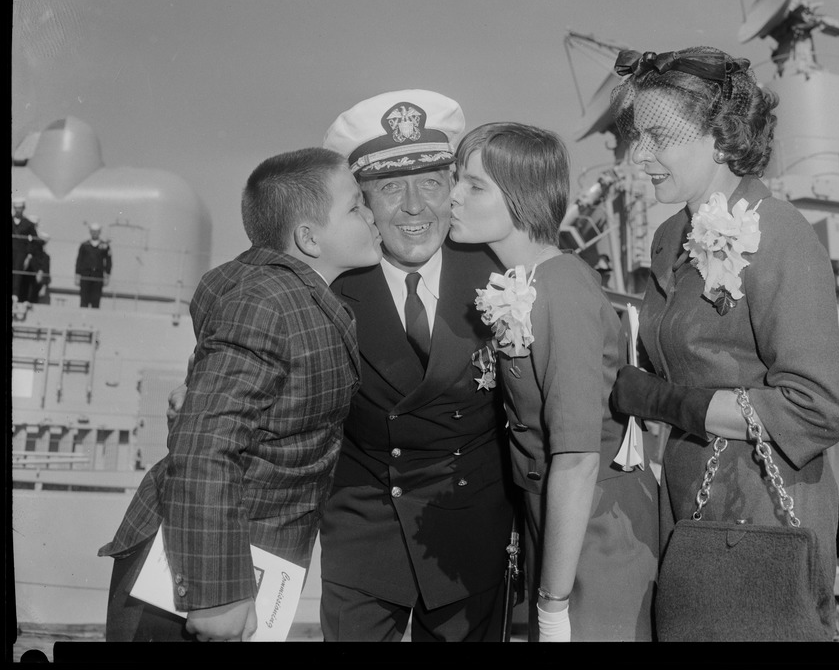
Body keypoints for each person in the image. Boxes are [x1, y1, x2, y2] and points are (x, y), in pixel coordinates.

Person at [606, 47, 839, 640]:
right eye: (638, 137)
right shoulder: (671, 236)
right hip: (691, 499)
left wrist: (664, 402)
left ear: (720, 137)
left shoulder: (779, 234)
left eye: (659, 137)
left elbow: (817, 408)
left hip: (763, 507)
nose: (641, 155)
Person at [98, 147, 383, 641]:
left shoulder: (276, 292)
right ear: (309, 238)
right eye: (356, 206)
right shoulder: (267, 304)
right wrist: (217, 594)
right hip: (196, 582)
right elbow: (205, 445)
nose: (371, 214)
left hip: (244, 563)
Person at [449, 122, 659, 642]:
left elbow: (577, 457)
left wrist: (553, 600)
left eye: (475, 186)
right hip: (561, 526)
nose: (452, 196)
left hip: (598, 534)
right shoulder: (532, 282)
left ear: (521, 199)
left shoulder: (560, 287)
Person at [318, 90, 515, 642]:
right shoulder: (332, 286)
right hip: (365, 538)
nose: (413, 207)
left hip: (469, 536)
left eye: (429, 184)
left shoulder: (500, 274)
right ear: (363, 201)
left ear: (451, 190)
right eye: (390, 189)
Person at [75, 222, 113, 308]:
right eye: (92, 231)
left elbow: (108, 261)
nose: (94, 233)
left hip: (98, 275)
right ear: (90, 232)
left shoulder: (104, 245)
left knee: (96, 300)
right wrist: (77, 274)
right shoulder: (84, 245)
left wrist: (107, 274)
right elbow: (79, 260)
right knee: (84, 299)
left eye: (96, 231)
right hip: (85, 274)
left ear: (99, 232)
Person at [12, 196, 38, 302]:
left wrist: (29, 254)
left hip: (21, 252)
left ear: (23, 208)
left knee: (17, 272)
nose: (18, 210)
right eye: (16, 208)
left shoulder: (28, 224)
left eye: (20, 208)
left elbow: (35, 240)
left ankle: (15, 294)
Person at [24, 230, 52, 304]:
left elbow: (46, 271)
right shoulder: (28, 254)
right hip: (26, 284)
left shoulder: (45, 257)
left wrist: (43, 286)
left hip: (35, 287)